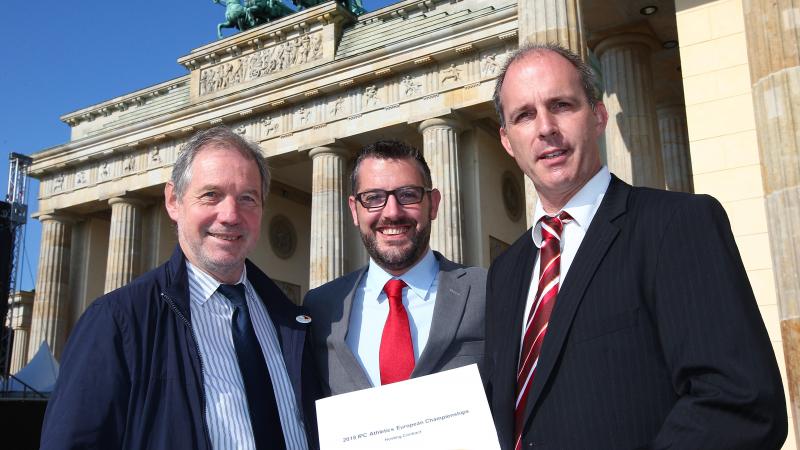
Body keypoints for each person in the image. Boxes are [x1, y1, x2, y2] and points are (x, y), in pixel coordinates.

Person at [485, 43, 787, 450]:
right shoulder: (505, 272)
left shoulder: (677, 224)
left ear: (598, 116)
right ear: (507, 141)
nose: (545, 128)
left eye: (561, 105)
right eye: (524, 115)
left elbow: (740, 402)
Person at [40, 127, 320, 450]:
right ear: (174, 201)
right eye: (211, 195)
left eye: (247, 198)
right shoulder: (117, 323)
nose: (230, 215)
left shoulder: (293, 320)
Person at [304, 140, 486, 395]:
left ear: (432, 204)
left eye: (408, 195)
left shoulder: (486, 290)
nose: (392, 212)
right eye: (373, 198)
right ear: (354, 211)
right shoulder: (321, 307)